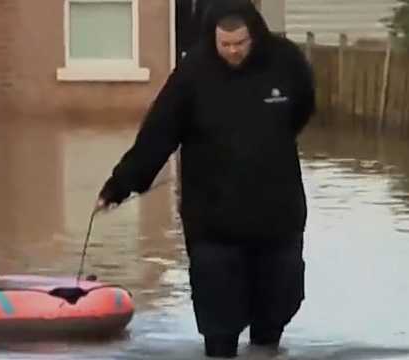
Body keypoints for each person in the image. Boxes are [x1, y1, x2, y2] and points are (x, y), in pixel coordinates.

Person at [94, 0, 315, 358]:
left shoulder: (286, 62)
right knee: (219, 327)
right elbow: (157, 135)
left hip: (278, 216)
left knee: (273, 320)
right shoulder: (191, 74)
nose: (232, 51)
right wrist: (120, 185)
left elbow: (302, 109)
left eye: (240, 44)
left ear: (253, 35)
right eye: (224, 44)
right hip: (213, 220)